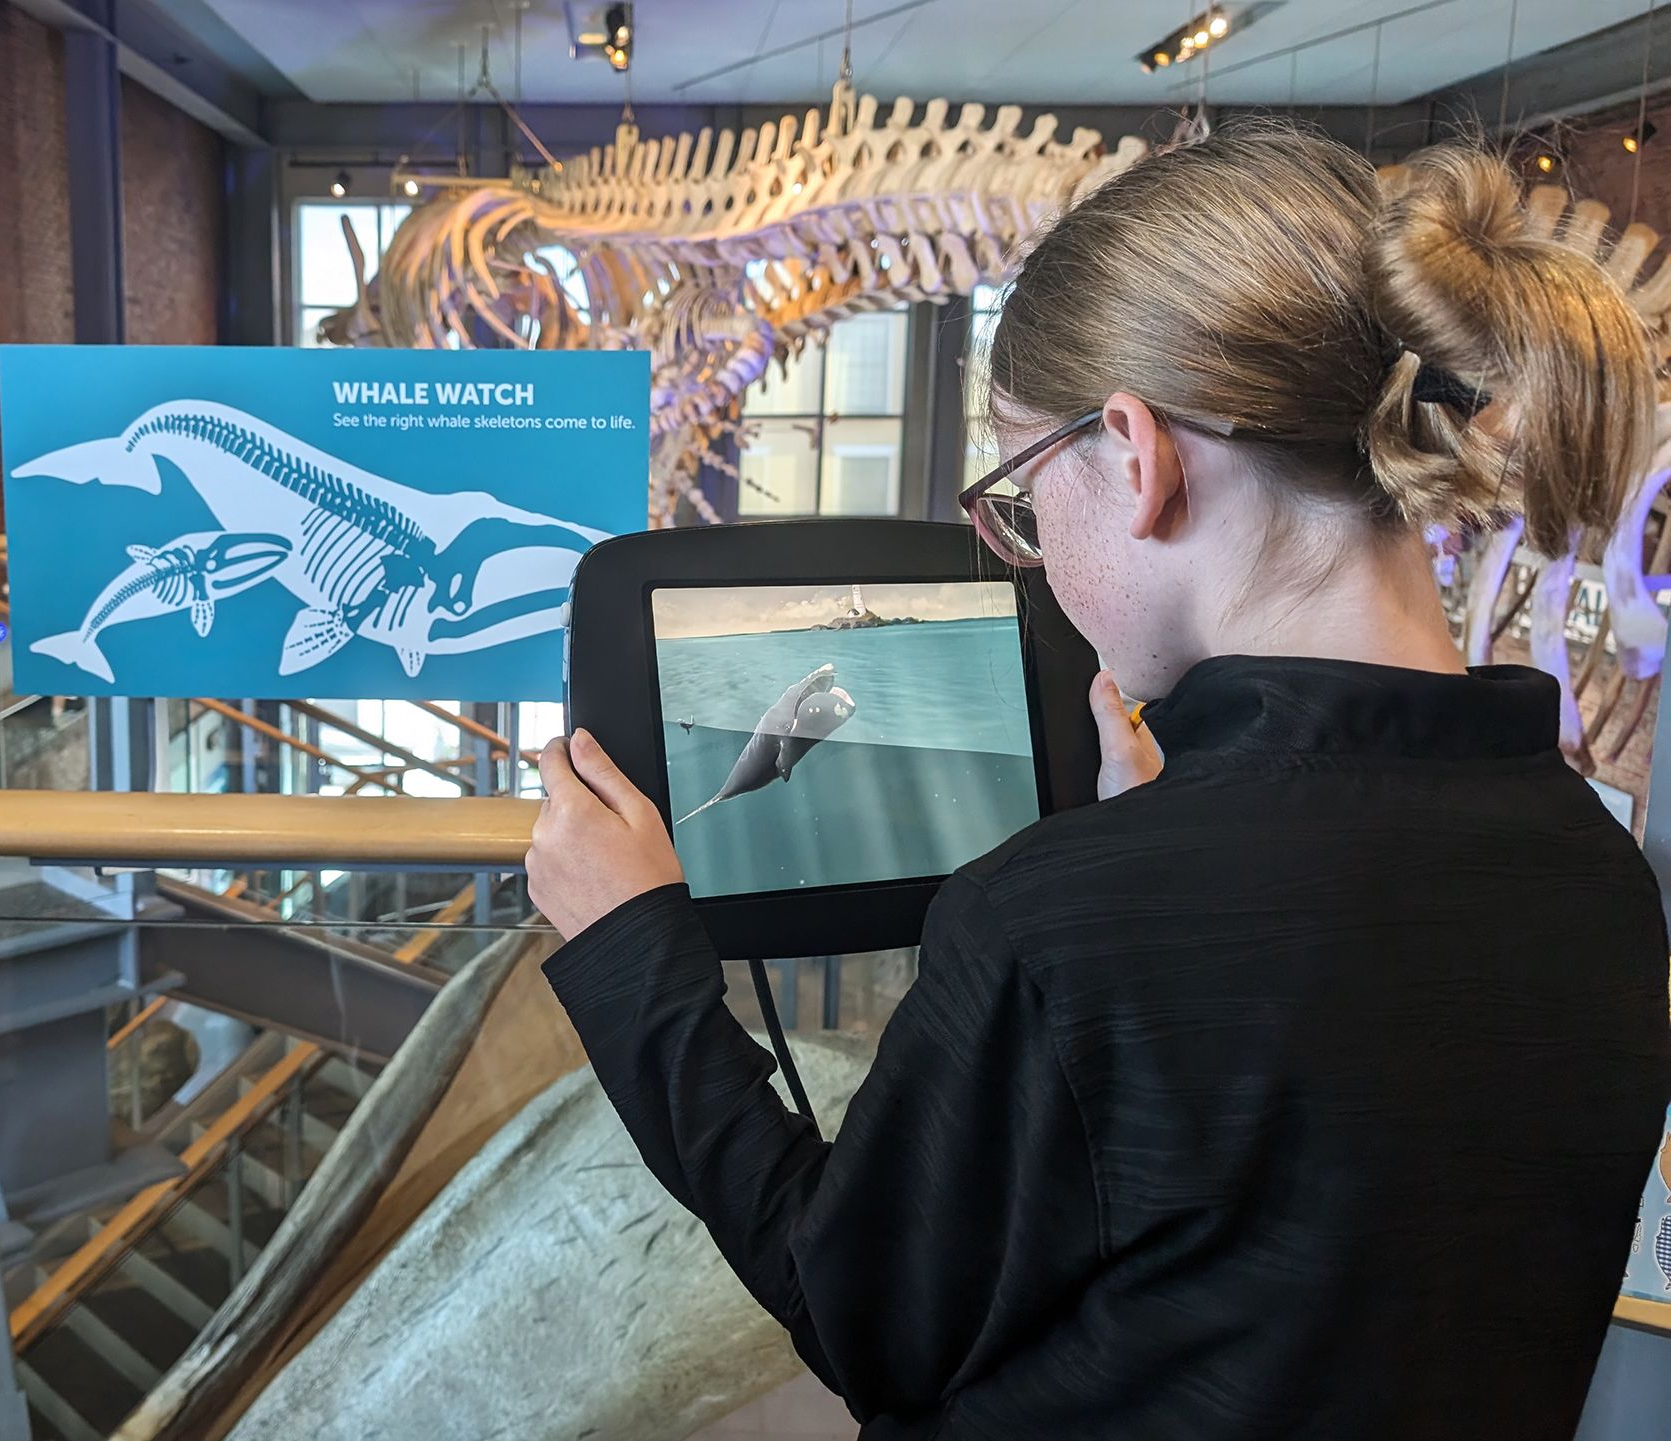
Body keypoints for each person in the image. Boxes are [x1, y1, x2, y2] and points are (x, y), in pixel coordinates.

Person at [524, 124, 1671, 1440]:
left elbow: (858, 1315)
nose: (1028, 550)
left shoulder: (1057, 925)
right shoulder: (1596, 874)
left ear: (1138, 454)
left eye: (1021, 492)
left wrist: (629, 952)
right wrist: (1170, 847)